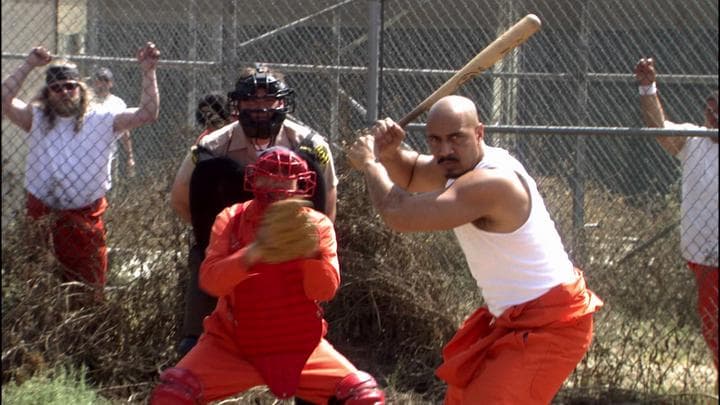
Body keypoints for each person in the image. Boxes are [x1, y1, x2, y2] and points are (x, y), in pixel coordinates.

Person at [347, 95, 603, 403]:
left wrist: (370, 163)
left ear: (479, 132)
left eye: (456, 138)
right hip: (512, 318)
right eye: (435, 140)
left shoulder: (492, 181)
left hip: (551, 324)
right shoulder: (457, 164)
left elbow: (399, 213)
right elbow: (413, 173)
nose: (444, 151)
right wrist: (390, 153)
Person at [150, 147, 385, 405]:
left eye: (287, 177)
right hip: (231, 345)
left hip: (301, 346)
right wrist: (256, 251)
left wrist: (310, 253)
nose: (278, 183)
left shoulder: (317, 224)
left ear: (302, 183)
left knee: (361, 396)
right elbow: (210, 281)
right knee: (173, 394)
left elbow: (325, 291)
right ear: (254, 179)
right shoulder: (232, 218)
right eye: (270, 175)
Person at [170, 66, 339, 356]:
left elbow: (327, 206)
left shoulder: (310, 146)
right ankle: (199, 345)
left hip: (288, 247)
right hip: (228, 242)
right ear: (238, 103)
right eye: (251, 99)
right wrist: (223, 239)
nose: (260, 107)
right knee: (192, 348)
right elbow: (182, 199)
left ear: (283, 102)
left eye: (268, 99)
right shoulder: (212, 147)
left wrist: (293, 246)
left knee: (308, 347)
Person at [1, 42, 160, 292]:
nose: (64, 92)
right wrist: (29, 64)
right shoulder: (37, 118)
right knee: (39, 290)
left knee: (87, 291)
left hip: (85, 220)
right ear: (48, 93)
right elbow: (3, 99)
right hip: (42, 217)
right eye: (56, 88)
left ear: (80, 88)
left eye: (70, 86)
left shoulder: (101, 119)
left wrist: (148, 71)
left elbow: (147, 114)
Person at [634, 57, 718, 370]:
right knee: (714, 332)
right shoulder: (694, 141)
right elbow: (658, 128)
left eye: (718, 109)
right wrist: (648, 87)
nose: (712, 114)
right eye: (709, 108)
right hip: (706, 259)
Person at [91, 67, 136, 178]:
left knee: (111, 187)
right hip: (87, 153)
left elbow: (125, 131)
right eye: (98, 80)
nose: (101, 84)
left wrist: (130, 156)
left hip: (110, 154)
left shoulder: (117, 103)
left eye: (105, 81)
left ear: (111, 83)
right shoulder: (87, 101)